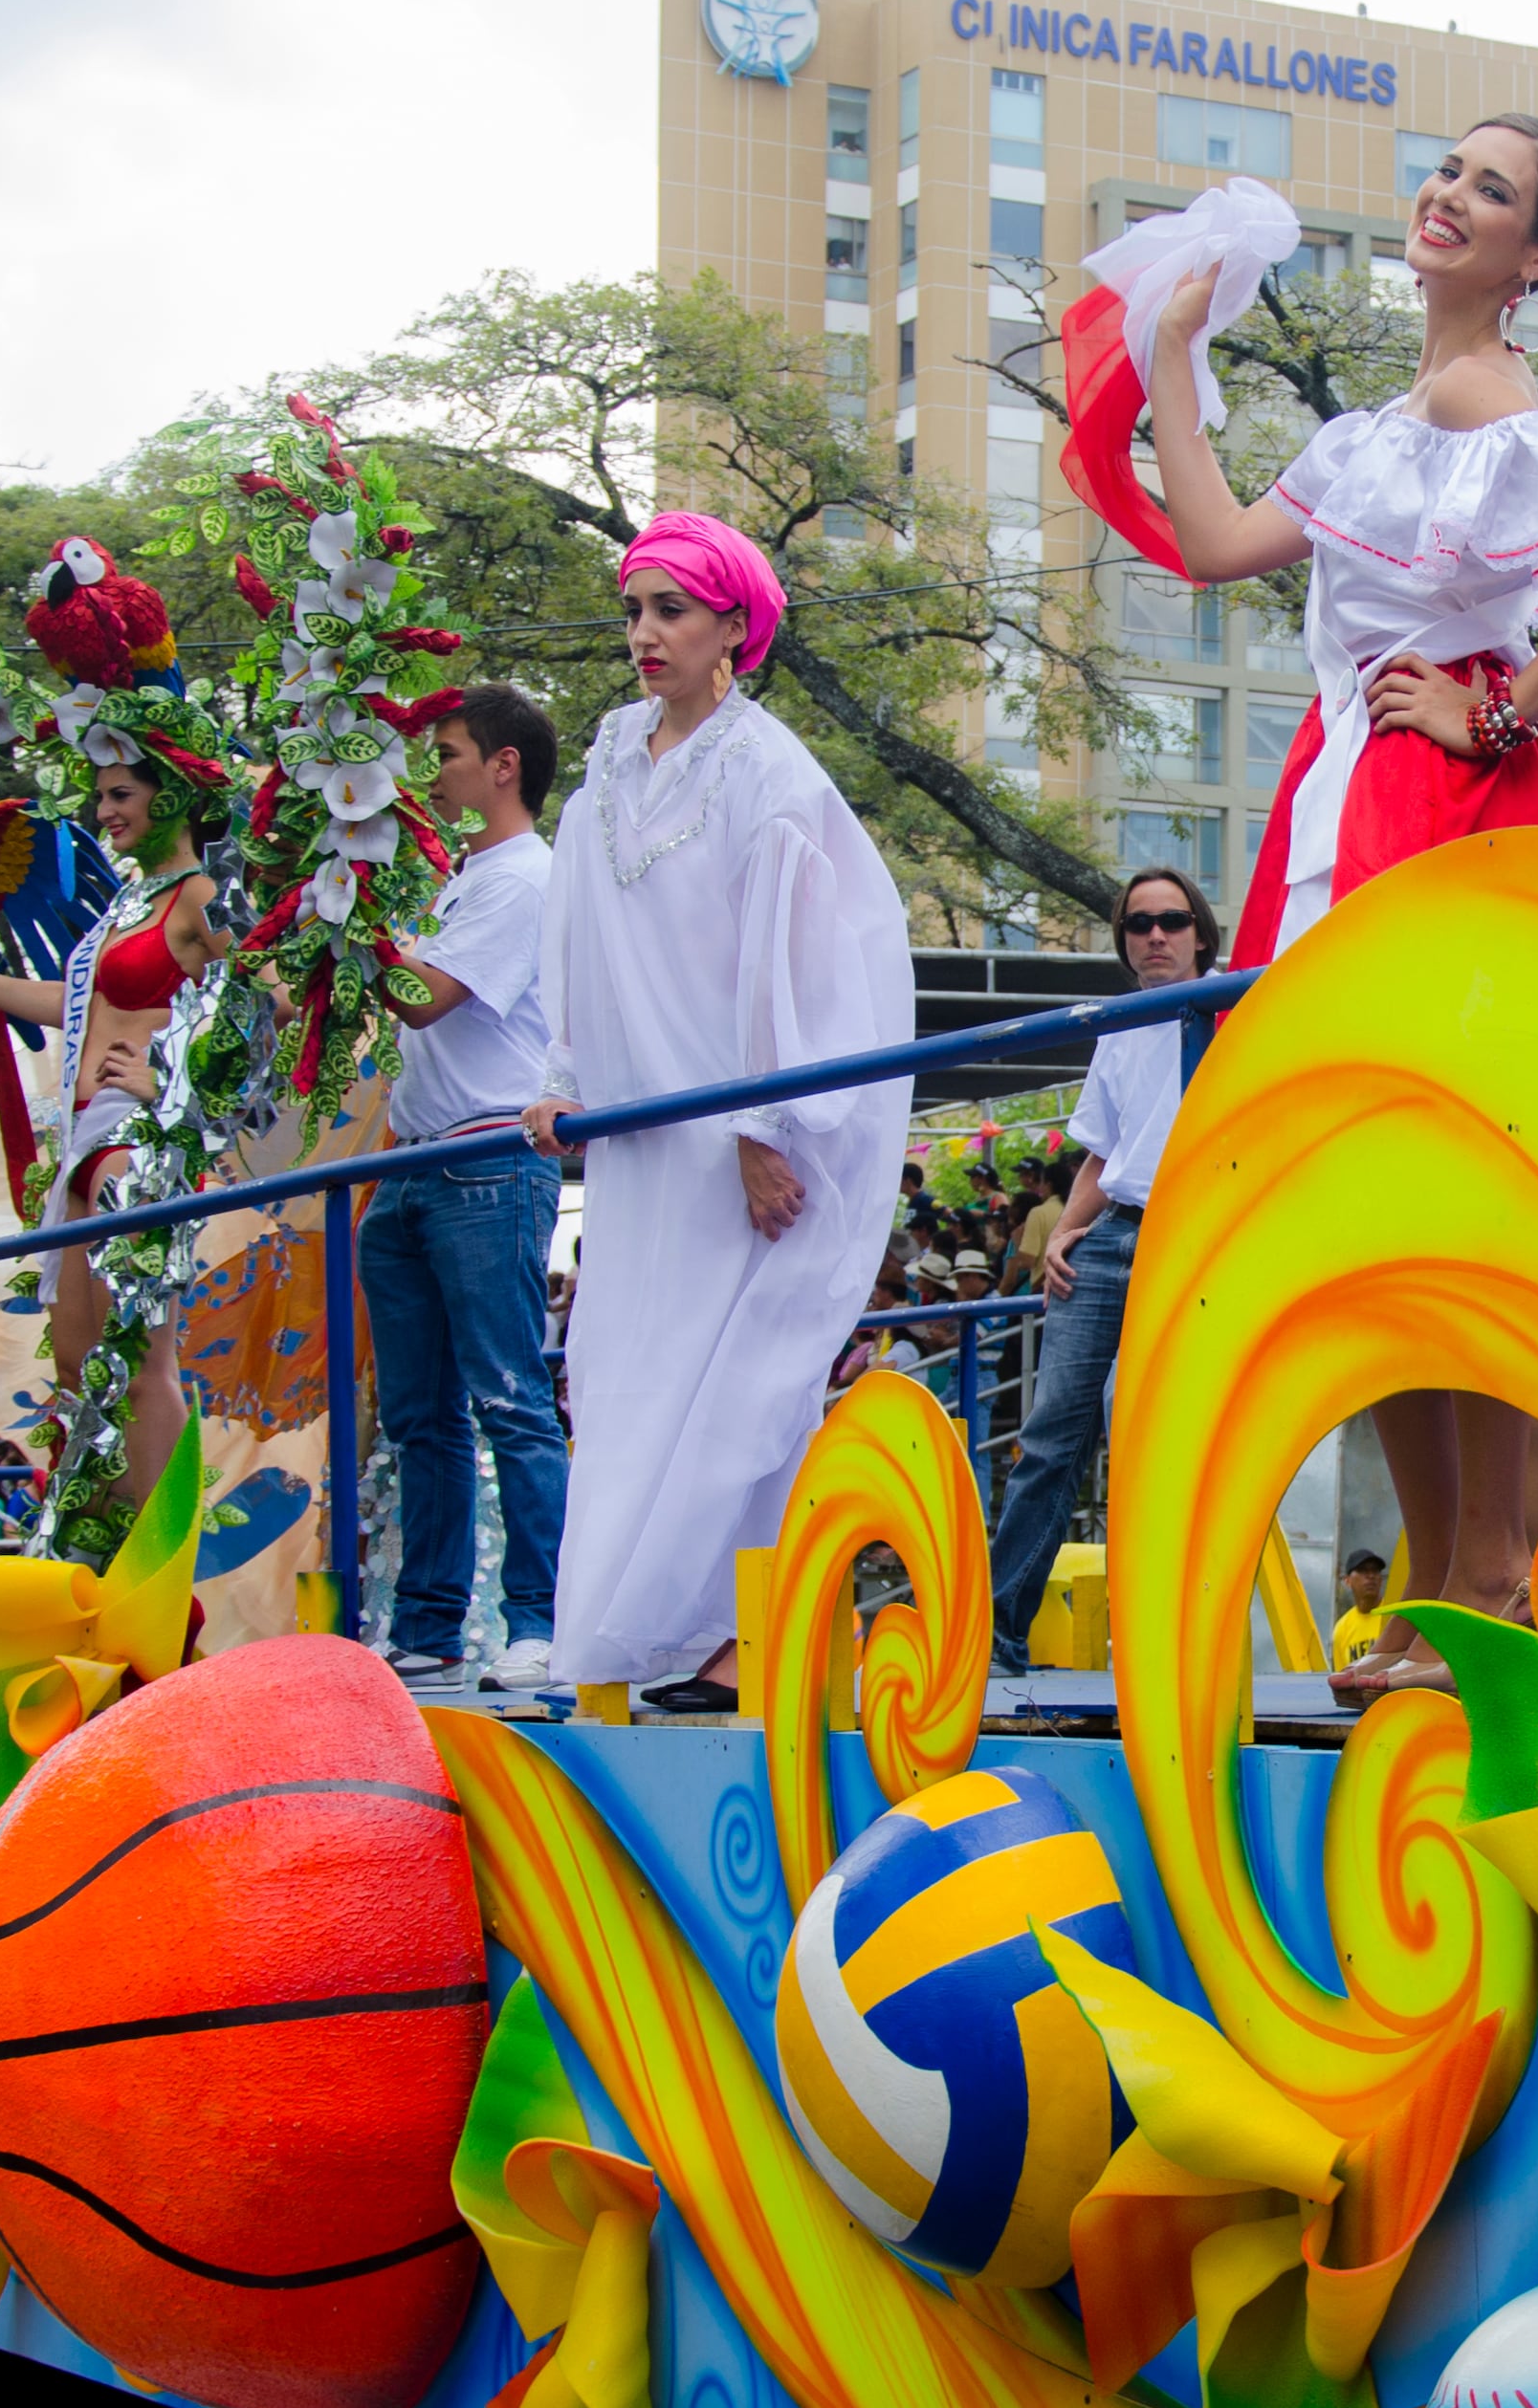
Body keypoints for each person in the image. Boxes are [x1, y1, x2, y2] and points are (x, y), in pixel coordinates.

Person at [1121, 114, 1538, 1618]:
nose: (1450, 196)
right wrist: (1175, 355)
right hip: (1345, 792)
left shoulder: (1494, 405)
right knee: (1379, 1199)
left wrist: (1494, 705)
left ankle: (1492, 1563)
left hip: (1444, 794)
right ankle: (1453, 1568)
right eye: (1450, 170)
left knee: (1449, 1185)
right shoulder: (1383, 425)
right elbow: (1217, 542)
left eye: (1492, 191)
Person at [515, 514, 910, 1716]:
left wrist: (764, 1128)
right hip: (640, 1148)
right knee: (628, 1367)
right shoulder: (606, 763)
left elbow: (793, 959)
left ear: (733, 625)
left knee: (743, 1380)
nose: (644, 632)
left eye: (671, 609)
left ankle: (736, 1636)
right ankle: (640, 1634)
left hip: (740, 1139)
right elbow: (577, 931)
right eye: (634, 609)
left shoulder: (767, 770)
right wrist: (564, 1076)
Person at [0, 750, 233, 1503]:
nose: (104, 812)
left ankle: (160, 1586)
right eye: (99, 797)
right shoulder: (126, 907)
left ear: (174, 798)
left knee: (137, 1362)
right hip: (83, 1141)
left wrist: (171, 1078)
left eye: (121, 794)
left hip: (140, 1143)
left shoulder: (202, 894)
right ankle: (107, 1562)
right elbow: (79, 1005)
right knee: (78, 1365)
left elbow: (274, 998)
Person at [351, 686, 572, 1697]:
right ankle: (430, 1626)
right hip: (408, 1163)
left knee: (506, 1395)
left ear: (503, 766)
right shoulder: (452, 882)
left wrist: (341, 921)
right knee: (418, 1416)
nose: (429, 773)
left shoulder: (524, 877)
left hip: (486, 1161)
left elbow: (426, 997)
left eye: (444, 752)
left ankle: (541, 1619)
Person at [980, 864, 1212, 1651]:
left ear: (1200, 933)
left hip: (1188, 1233)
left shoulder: (1229, 1010)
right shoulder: (1120, 1022)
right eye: (1139, 923)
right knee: (1051, 1433)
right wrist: (1067, 1230)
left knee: (1143, 1425)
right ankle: (996, 1633)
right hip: (1114, 1231)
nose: (1155, 935)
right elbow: (1102, 1152)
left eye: (1171, 921)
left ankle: (1159, 1646)